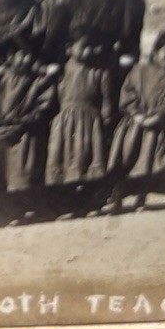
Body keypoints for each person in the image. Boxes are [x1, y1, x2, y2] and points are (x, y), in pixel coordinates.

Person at [108, 29, 165, 213]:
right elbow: (128, 92)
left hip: (159, 125)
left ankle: (141, 196)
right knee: (125, 158)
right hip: (133, 124)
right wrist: (136, 114)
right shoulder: (140, 70)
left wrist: (159, 115)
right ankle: (116, 197)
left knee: (149, 161)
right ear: (155, 51)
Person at [45, 0, 146, 93]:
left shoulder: (126, 2)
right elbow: (54, 43)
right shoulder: (68, 6)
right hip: (76, 71)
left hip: (110, 69)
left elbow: (130, 41)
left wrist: (125, 60)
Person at [44, 32, 115, 214]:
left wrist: (105, 120)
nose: (87, 51)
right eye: (82, 47)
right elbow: (52, 95)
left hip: (91, 121)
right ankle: (68, 205)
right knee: (66, 159)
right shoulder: (61, 71)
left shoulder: (100, 71)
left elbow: (107, 99)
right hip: (65, 120)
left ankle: (90, 203)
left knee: (89, 158)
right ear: (69, 49)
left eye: (90, 47)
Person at [0, 37, 57, 213]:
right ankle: (8, 208)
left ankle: (27, 205)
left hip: (26, 130)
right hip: (2, 130)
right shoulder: (0, 78)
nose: (25, 59)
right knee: (2, 167)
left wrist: (26, 121)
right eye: (20, 55)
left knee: (26, 167)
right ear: (10, 57)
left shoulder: (38, 80)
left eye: (28, 55)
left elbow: (44, 105)